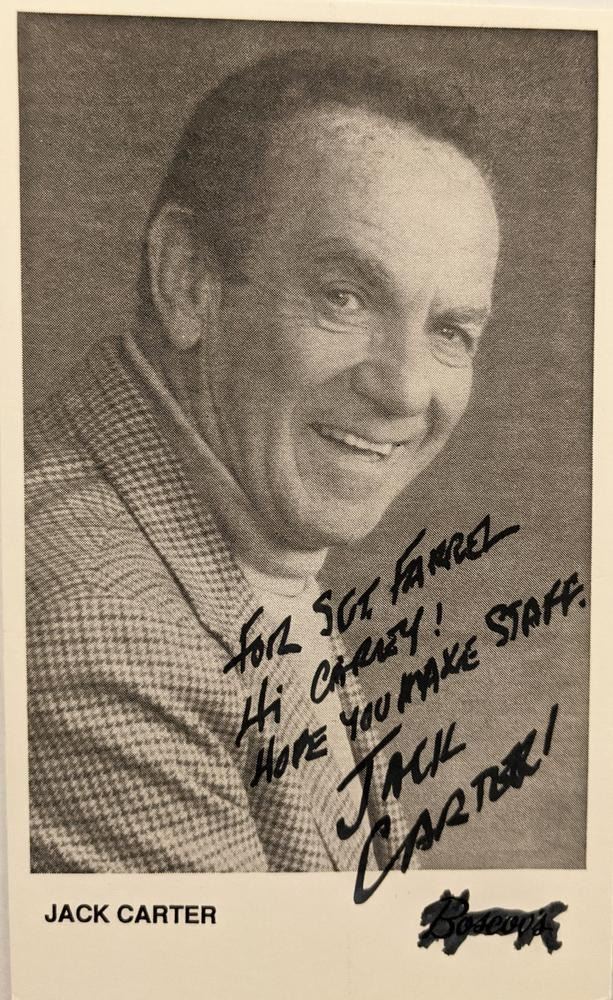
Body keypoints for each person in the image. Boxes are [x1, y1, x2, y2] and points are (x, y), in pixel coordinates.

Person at [26, 51, 499, 873]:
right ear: (187, 280)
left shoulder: (231, 550)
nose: (403, 389)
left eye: (448, 330)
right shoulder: (109, 629)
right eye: (344, 297)